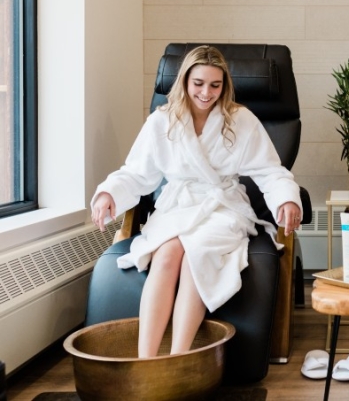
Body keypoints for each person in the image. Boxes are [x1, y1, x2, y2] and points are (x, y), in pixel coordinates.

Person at [91, 45, 302, 358]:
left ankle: (178, 358)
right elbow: (136, 173)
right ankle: (146, 361)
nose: (206, 93)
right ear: (185, 82)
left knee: (197, 255)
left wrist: (287, 199)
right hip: (177, 206)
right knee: (166, 255)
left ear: (225, 85)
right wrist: (109, 192)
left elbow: (270, 171)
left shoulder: (240, 119)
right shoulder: (161, 121)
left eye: (215, 85)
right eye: (198, 84)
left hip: (222, 208)